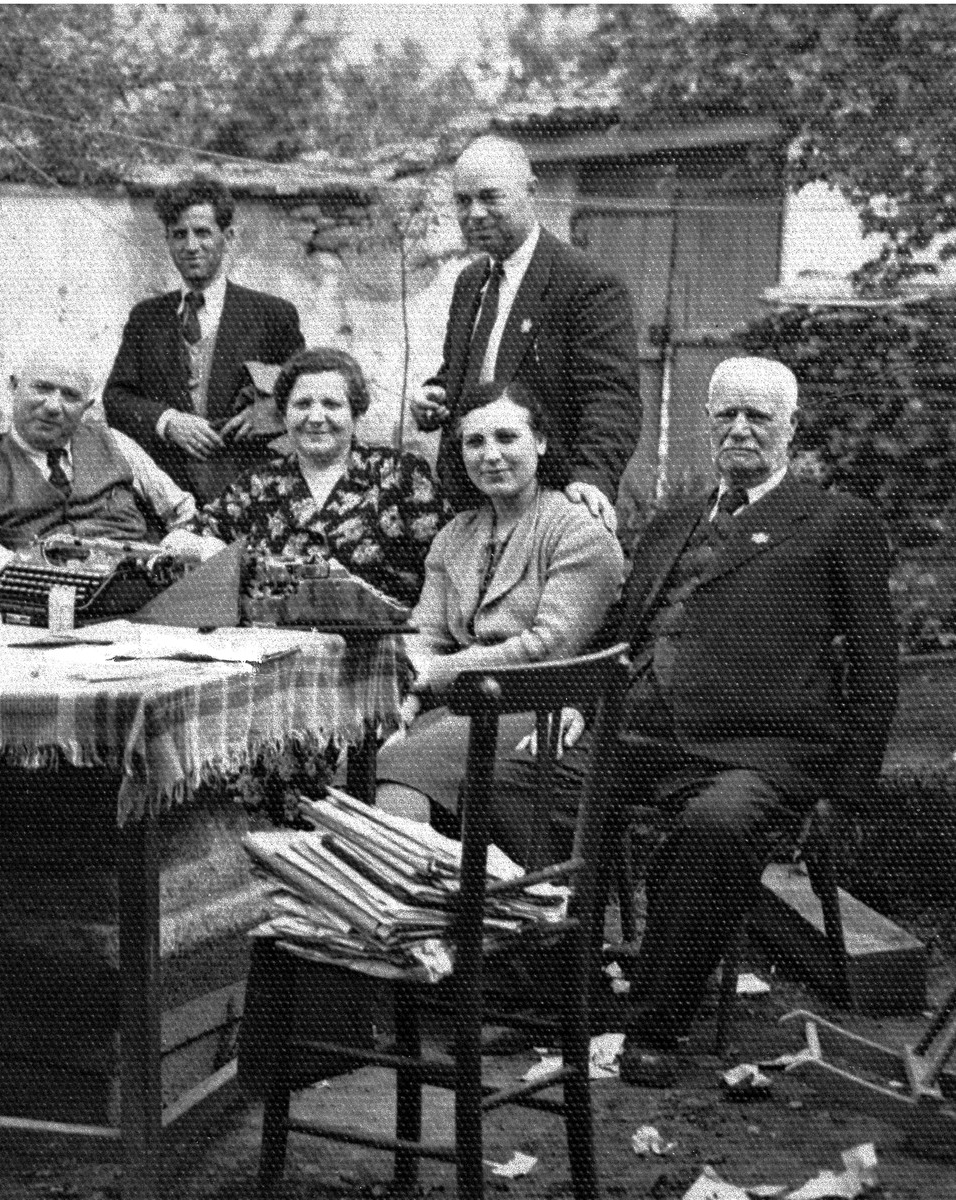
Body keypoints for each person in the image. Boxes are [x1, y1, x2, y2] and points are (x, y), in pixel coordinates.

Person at [481, 357, 897, 1087]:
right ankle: (564, 992)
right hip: (638, 738)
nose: (739, 429)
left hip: (757, 752)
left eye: (758, 417)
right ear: (707, 425)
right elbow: (622, 632)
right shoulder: (672, 523)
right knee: (517, 778)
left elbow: (875, 668)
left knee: (718, 823)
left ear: (789, 429)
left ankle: (653, 1024)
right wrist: (579, 702)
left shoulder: (837, 522)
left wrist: (846, 793)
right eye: (725, 415)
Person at [375, 381, 625, 819]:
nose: (490, 455)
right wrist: (412, 694)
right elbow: (423, 633)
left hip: (539, 704)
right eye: (475, 442)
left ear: (542, 442)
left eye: (507, 438)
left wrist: (440, 673)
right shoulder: (457, 534)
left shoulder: (579, 531)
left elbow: (547, 647)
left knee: (400, 769)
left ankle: (409, 884)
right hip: (460, 701)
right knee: (358, 761)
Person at [412, 135, 640, 531]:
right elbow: (469, 375)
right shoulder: (470, 282)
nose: (475, 213)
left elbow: (612, 397)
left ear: (530, 192)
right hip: (471, 503)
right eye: (463, 201)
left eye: (490, 197)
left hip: (549, 503)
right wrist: (435, 395)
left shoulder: (586, 283)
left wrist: (589, 483)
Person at [166, 347, 447, 609]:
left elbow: (445, 565)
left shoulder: (401, 475)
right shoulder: (257, 485)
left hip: (382, 644)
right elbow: (185, 539)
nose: (315, 417)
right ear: (284, 414)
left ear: (356, 412)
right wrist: (207, 549)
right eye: (302, 404)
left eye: (331, 404)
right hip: (278, 641)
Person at [103, 174, 306, 503]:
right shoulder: (146, 317)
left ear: (228, 236)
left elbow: (308, 388)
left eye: (202, 233)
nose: (191, 246)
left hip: (251, 485)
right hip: (166, 489)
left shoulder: (272, 314)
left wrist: (268, 413)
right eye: (179, 235)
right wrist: (168, 422)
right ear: (167, 240)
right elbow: (116, 399)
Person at [0, 349, 198, 583]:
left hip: (137, 590)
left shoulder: (115, 443)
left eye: (70, 395)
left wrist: (177, 548)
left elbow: (181, 509)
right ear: (14, 386)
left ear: (87, 406)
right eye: (42, 388)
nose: (53, 406)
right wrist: (31, 572)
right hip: (44, 598)